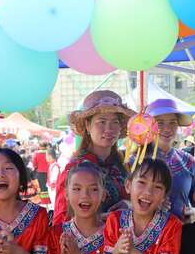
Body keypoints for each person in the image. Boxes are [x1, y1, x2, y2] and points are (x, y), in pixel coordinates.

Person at [53, 90, 135, 227]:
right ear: (87, 125)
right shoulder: (74, 169)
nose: (109, 129)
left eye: (115, 122)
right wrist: (100, 218)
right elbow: (61, 220)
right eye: (101, 122)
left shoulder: (124, 166)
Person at [104, 158, 182, 254]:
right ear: (128, 186)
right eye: (141, 182)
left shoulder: (172, 225)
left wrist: (132, 252)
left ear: (164, 196)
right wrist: (118, 251)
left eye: (157, 187)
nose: (148, 192)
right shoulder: (114, 220)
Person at [47, 163, 112, 254]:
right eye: (77, 189)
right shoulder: (57, 232)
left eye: (93, 189)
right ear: (66, 194)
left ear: (104, 195)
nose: (85, 195)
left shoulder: (111, 234)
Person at [143, 98, 195, 222]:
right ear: (148, 126)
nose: (167, 129)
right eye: (160, 123)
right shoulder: (136, 161)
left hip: (182, 234)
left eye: (172, 122)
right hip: (145, 238)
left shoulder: (188, 161)